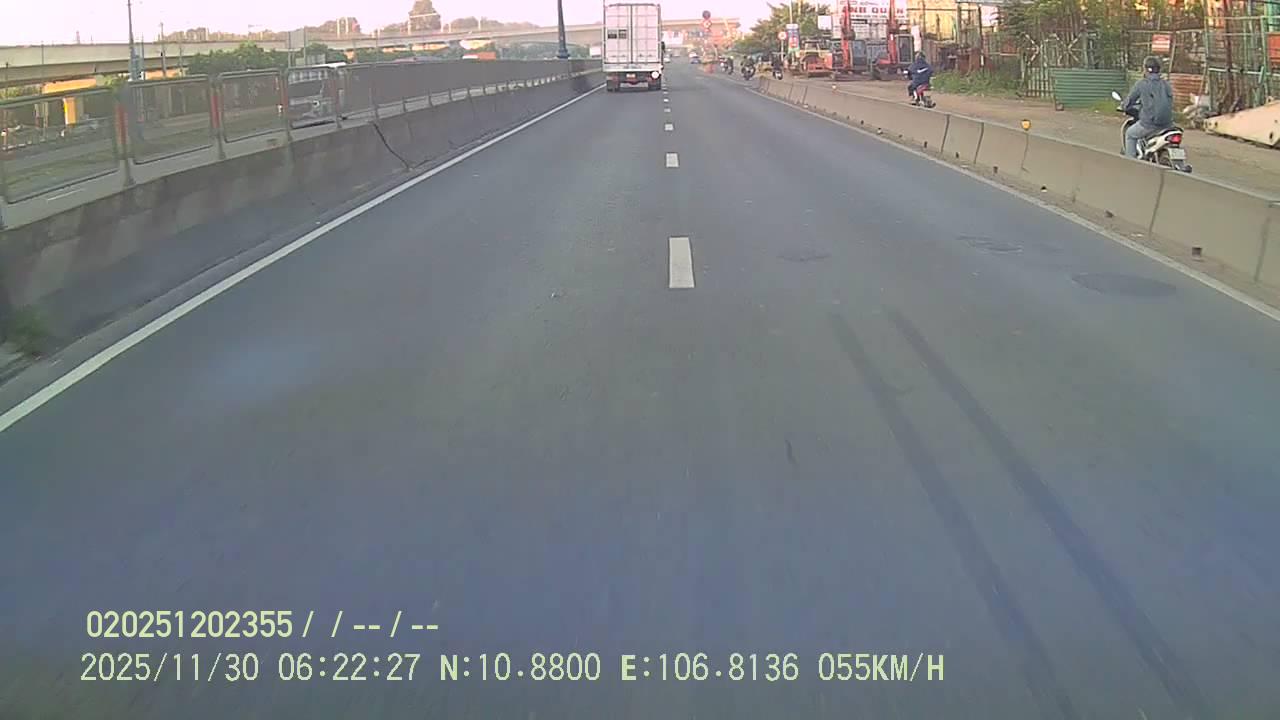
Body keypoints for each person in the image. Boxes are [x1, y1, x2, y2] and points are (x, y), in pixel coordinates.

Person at [1123, 57, 1174, 158]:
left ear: (1146, 69)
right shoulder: (1166, 84)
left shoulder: (1141, 84)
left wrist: (1124, 106)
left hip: (1150, 124)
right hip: (1168, 124)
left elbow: (1130, 100)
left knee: (1130, 134)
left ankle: (1130, 160)